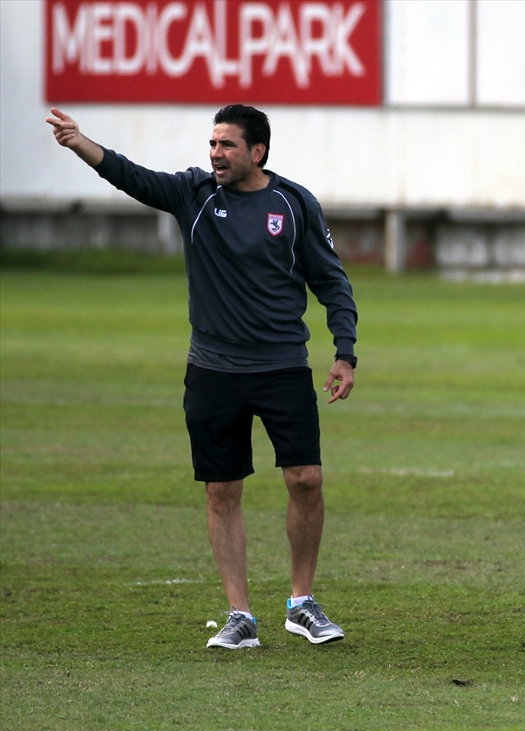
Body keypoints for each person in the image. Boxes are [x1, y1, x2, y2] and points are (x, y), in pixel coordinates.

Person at [47, 106, 358, 650]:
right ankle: (240, 616)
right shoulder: (194, 196)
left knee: (306, 479)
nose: (215, 153)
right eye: (212, 143)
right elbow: (131, 175)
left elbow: (331, 280)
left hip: (283, 365)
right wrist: (80, 143)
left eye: (227, 145)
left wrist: (344, 352)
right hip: (213, 372)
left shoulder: (293, 203)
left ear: (257, 152)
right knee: (221, 490)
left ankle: (301, 603)